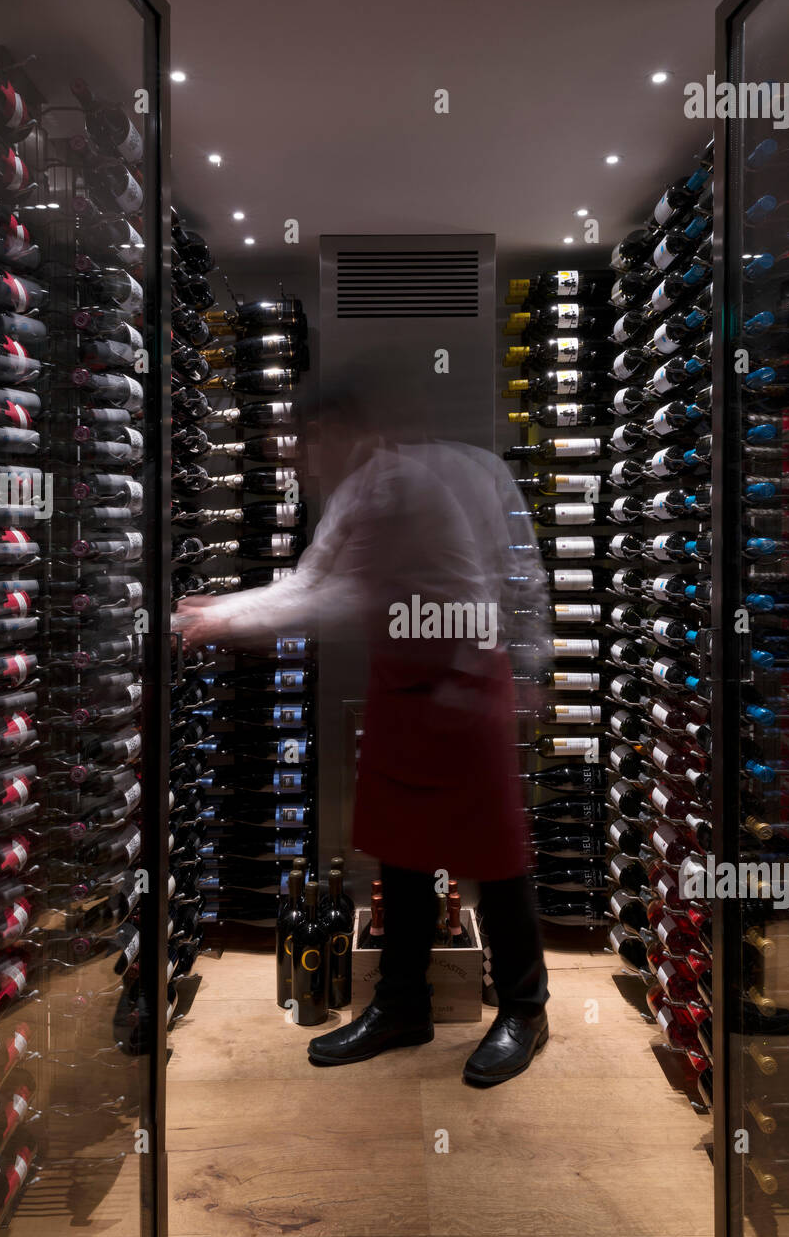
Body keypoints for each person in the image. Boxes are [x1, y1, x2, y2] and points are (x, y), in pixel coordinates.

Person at [174, 395, 551, 1085]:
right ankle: (403, 1004)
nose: (299, 459)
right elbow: (311, 580)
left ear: (348, 433)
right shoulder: (361, 488)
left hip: (462, 677)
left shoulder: (401, 485)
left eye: (309, 443)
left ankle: (525, 1010)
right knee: (401, 849)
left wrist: (226, 623)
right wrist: (221, 608)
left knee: (495, 853)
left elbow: (342, 598)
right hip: (403, 682)